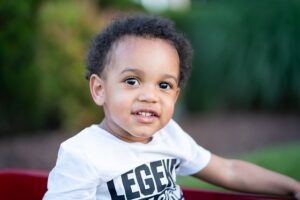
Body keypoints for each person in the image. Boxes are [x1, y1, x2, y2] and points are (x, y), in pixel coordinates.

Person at [43, 14, 300, 200]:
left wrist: (292, 187)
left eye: (163, 86)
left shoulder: (169, 136)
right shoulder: (83, 155)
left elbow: (229, 171)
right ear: (100, 90)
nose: (150, 96)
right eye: (132, 81)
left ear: (176, 96)